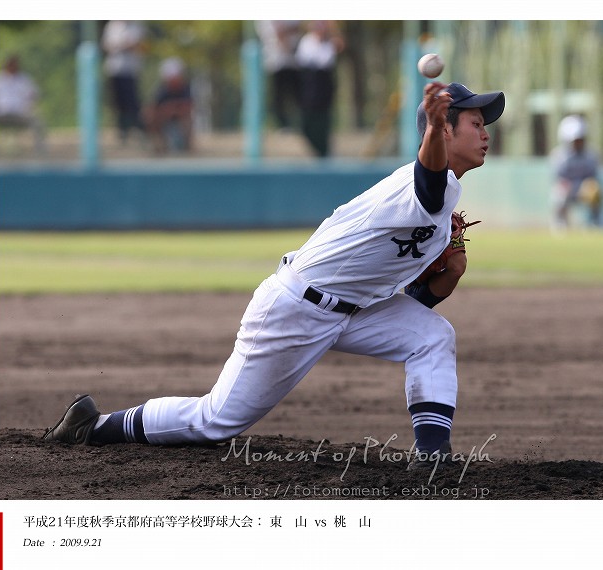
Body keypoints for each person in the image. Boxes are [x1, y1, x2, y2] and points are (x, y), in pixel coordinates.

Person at [43, 81, 505, 470]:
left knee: (431, 336)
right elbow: (429, 175)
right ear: (444, 128)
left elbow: (411, 301)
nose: (486, 134)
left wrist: (448, 276)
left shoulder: (440, 209)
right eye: (476, 124)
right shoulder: (430, 184)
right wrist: (430, 124)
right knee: (215, 421)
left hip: (349, 310)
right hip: (295, 308)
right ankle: (93, 425)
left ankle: (434, 461)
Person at [295, 20, 344, 157]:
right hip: (309, 87)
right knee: (308, 122)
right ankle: (316, 148)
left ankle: (324, 151)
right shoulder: (306, 42)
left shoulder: (329, 43)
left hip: (324, 88)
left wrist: (333, 29)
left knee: (323, 122)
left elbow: (336, 51)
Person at [550, 114, 603, 229]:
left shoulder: (591, 155)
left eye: (581, 139)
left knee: (595, 189)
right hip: (568, 187)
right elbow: (559, 179)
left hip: (583, 188)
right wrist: (569, 186)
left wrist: (587, 187)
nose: (579, 143)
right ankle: (560, 222)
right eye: (576, 140)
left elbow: (593, 177)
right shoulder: (559, 156)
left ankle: (595, 222)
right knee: (560, 191)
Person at [101, 20, 147, 144]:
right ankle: (122, 132)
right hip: (114, 70)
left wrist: (121, 46)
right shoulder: (112, 26)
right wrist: (123, 46)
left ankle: (138, 130)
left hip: (131, 71)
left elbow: (138, 45)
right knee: (118, 103)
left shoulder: (136, 26)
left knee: (132, 102)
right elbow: (106, 45)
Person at [255, 20, 302, 131]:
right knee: (278, 96)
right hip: (275, 62)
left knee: (296, 95)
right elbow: (278, 32)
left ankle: (297, 123)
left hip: (293, 61)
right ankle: (282, 124)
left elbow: (295, 29)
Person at [0, 55, 45, 154]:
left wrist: (30, 105)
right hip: (1, 114)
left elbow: (34, 94)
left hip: (20, 114)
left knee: (37, 122)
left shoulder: (24, 79)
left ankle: (40, 152)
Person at [145, 57, 193, 154]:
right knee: (150, 119)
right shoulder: (161, 90)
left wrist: (172, 109)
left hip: (180, 117)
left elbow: (189, 106)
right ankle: (159, 147)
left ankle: (188, 147)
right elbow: (151, 108)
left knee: (187, 119)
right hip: (164, 117)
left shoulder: (186, 88)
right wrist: (165, 111)